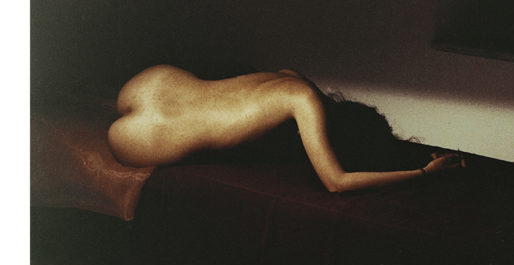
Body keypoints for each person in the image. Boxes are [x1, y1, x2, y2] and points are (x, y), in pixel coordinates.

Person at [108, 65, 464, 192]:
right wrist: (421, 173)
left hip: (156, 80)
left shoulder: (294, 79)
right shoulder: (303, 105)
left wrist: (408, 153)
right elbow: (336, 182)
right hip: (149, 134)